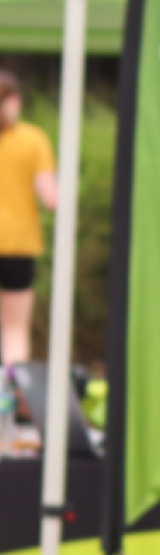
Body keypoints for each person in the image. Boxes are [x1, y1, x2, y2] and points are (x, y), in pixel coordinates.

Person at [0, 71, 57, 367]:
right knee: (14, 330)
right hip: (18, 246)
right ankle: (9, 399)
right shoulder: (33, 140)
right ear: (15, 101)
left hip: (16, 245)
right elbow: (51, 198)